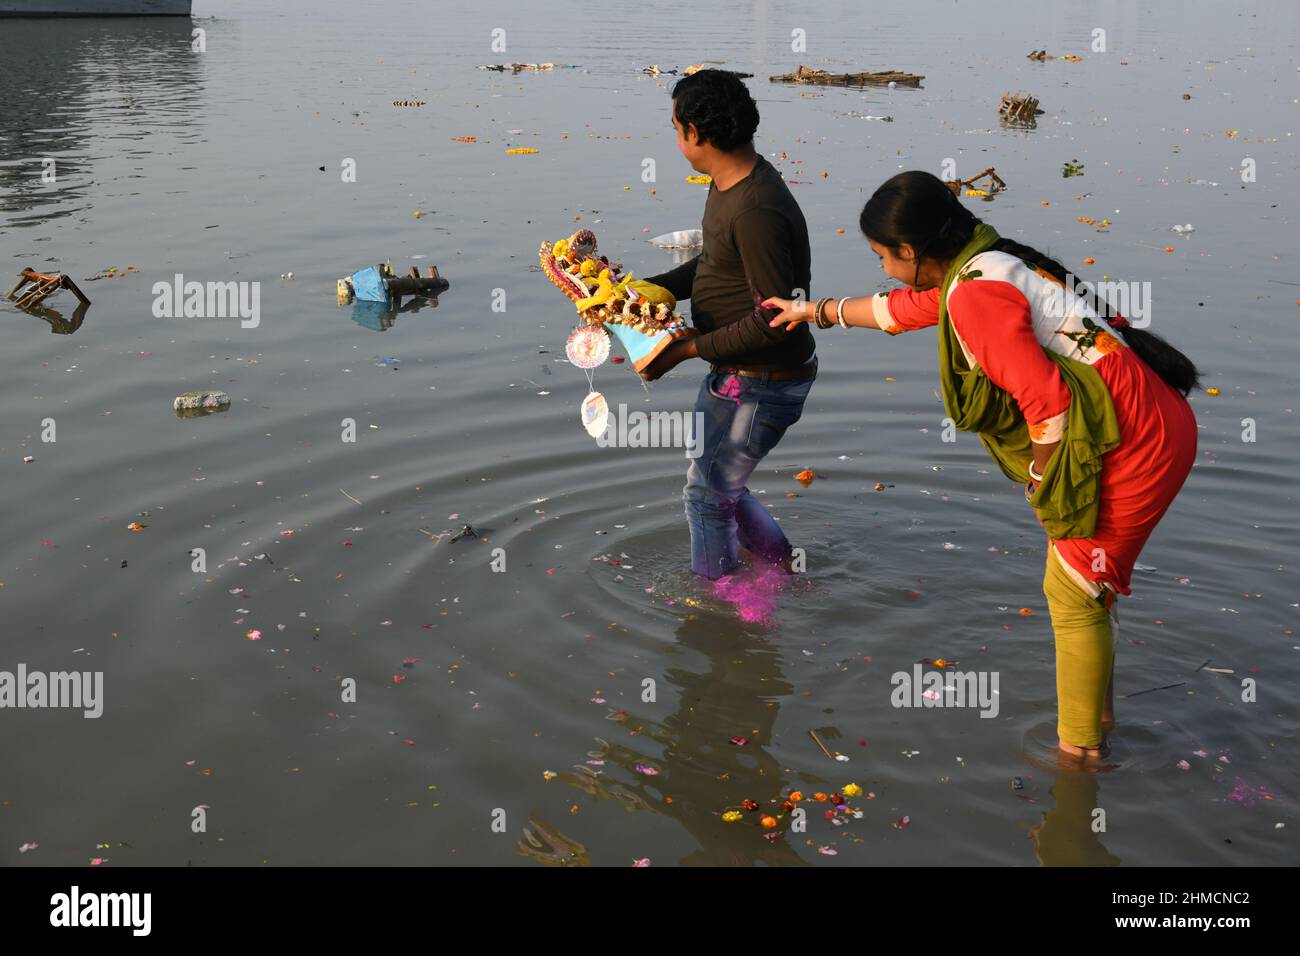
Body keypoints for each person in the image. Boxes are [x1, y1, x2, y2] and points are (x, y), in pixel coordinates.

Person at [763, 171, 1200, 762]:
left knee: (1071, 592)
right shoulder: (985, 264)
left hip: (1134, 439)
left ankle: (1080, 758)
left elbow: (1049, 406)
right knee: (1086, 587)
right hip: (1151, 411)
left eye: (884, 257)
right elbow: (906, 308)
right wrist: (814, 311)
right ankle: (1098, 723)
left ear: (912, 251)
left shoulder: (972, 294)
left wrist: (1043, 481)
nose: (885, 269)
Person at [638, 69, 817, 580]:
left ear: (697, 132)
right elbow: (716, 264)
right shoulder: (731, 183)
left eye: (676, 130)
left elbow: (776, 317)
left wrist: (687, 349)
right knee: (717, 487)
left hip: (760, 379)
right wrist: (653, 289)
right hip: (741, 372)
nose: (677, 142)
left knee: (707, 497)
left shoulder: (755, 208)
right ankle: (783, 572)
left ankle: (719, 599)